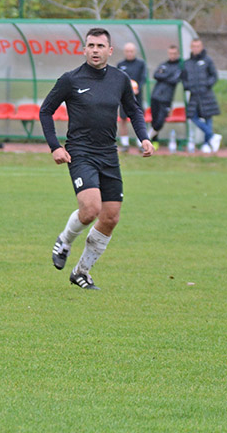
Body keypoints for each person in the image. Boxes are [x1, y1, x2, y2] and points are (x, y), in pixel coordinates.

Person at [39, 28, 154, 290]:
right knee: (90, 209)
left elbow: (133, 110)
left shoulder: (120, 79)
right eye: (90, 45)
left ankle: (81, 272)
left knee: (111, 217)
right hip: (80, 153)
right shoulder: (70, 79)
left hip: (108, 153)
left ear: (109, 51)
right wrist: (55, 146)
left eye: (100, 46)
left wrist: (143, 137)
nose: (95, 50)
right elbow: (45, 111)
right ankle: (65, 241)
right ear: (84, 49)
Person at [182, 39, 221, 153]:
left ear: (201, 47)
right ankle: (212, 136)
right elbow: (184, 79)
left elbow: (214, 76)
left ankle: (206, 144)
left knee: (208, 117)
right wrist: (189, 86)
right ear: (191, 47)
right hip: (194, 96)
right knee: (192, 116)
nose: (196, 48)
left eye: (198, 46)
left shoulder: (207, 60)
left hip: (206, 94)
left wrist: (206, 85)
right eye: (193, 46)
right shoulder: (187, 63)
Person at [148, 45, 182, 145]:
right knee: (154, 120)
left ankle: (147, 137)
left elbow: (174, 80)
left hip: (166, 98)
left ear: (178, 54)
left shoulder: (180, 66)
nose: (172, 55)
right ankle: (154, 143)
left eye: (174, 53)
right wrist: (168, 75)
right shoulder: (164, 64)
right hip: (155, 95)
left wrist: (163, 75)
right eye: (170, 53)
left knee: (160, 121)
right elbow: (156, 75)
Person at [116, 42, 147, 151]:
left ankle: (141, 144)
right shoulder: (120, 64)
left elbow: (143, 78)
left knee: (139, 118)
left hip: (137, 97)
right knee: (123, 119)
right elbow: (117, 79)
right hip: (123, 97)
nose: (129, 53)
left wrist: (137, 88)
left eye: (131, 51)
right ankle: (125, 144)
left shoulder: (141, 64)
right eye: (127, 51)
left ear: (135, 52)